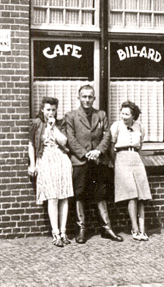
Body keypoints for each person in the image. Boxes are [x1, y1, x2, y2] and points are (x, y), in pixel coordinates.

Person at [64, 85, 123, 244]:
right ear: (79, 98)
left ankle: (107, 228)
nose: (87, 100)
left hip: (98, 160)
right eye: (84, 96)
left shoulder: (101, 115)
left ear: (94, 98)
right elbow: (71, 139)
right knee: (80, 193)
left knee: (100, 194)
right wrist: (85, 154)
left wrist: (98, 151)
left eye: (90, 97)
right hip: (80, 161)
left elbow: (107, 136)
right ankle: (81, 229)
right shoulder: (71, 117)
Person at [28, 97, 73, 247]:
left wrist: (53, 128)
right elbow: (31, 145)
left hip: (61, 160)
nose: (51, 112)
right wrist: (32, 165)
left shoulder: (60, 124)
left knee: (64, 196)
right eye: (48, 109)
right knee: (52, 196)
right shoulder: (36, 124)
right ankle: (55, 233)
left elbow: (64, 142)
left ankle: (63, 231)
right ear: (42, 110)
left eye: (53, 110)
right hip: (46, 160)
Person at [110, 101, 152, 241]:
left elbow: (140, 145)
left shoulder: (140, 127)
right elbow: (112, 145)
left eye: (127, 114)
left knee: (141, 195)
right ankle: (134, 228)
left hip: (136, 159)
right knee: (131, 194)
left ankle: (142, 229)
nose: (123, 116)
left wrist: (136, 155)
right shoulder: (116, 126)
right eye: (122, 113)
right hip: (122, 159)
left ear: (133, 115)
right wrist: (115, 162)